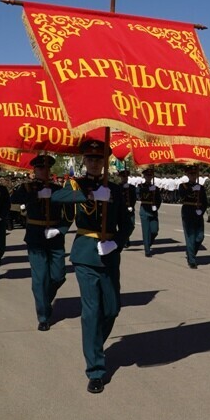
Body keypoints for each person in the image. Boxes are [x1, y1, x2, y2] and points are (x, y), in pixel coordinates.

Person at [51, 139, 130, 394]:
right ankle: (95, 369)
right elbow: (57, 197)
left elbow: (126, 224)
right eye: (91, 159)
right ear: (84, 161)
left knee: (112, 309)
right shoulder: (76, 184)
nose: (95, 163)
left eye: (99, 159)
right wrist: (89, 195)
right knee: (92, 312)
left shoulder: (116, 190)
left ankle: (95, 344)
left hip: (108, 253)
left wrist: (116, 242)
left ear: (105, 162)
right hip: (85, 253)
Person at [10, 155, 67, 331]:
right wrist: (36, 195)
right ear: (34, 170)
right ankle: (43, 315)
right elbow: (13, 201)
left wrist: (61, 229)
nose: (45, 171)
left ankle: (44, 301)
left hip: (55, 235)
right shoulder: (26, 187)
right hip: (36, 236)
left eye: (47, 168)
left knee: (58, 276)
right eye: (41, 168)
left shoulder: (58, 188)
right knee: (40, 278)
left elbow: (69, 212)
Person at [178, 165, 208, 268]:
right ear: (187, 174)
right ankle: (192, 260)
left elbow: (205, 201)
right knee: (190, 236)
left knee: (200, 236)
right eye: (191, 174)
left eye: (195, 174)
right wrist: (192, 189)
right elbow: (182, 196)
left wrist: (202, 211)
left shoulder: (201, 187)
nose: (193, 176)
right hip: (188, 212)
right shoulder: (183, 186)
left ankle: (190, 253)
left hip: (198, 212)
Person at [136, 168, 162, 257]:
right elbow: (138, 195)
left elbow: (159, 199)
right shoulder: (140, 186)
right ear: (144, 176)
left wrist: (156, 207)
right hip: (144, 209)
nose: (149, 177)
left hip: (153, 210)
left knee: (154, 230)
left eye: (150, 175)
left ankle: (149, 243)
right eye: (147, 175)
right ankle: (147, 250)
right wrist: (148, 190)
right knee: (146, 231)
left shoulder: (156, 188)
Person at [118, 170, 137, 247]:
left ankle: (125, 238)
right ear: (120, 178)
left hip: (130, 209)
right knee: (122, 226)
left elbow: (134, 198)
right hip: (121, 210)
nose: (125, 178)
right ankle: (125, 240)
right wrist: (122, 188)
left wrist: (132, 206)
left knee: (131, 225)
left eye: (126, 177)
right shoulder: (118, 187)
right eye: (123, 177)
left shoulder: (132, 187)